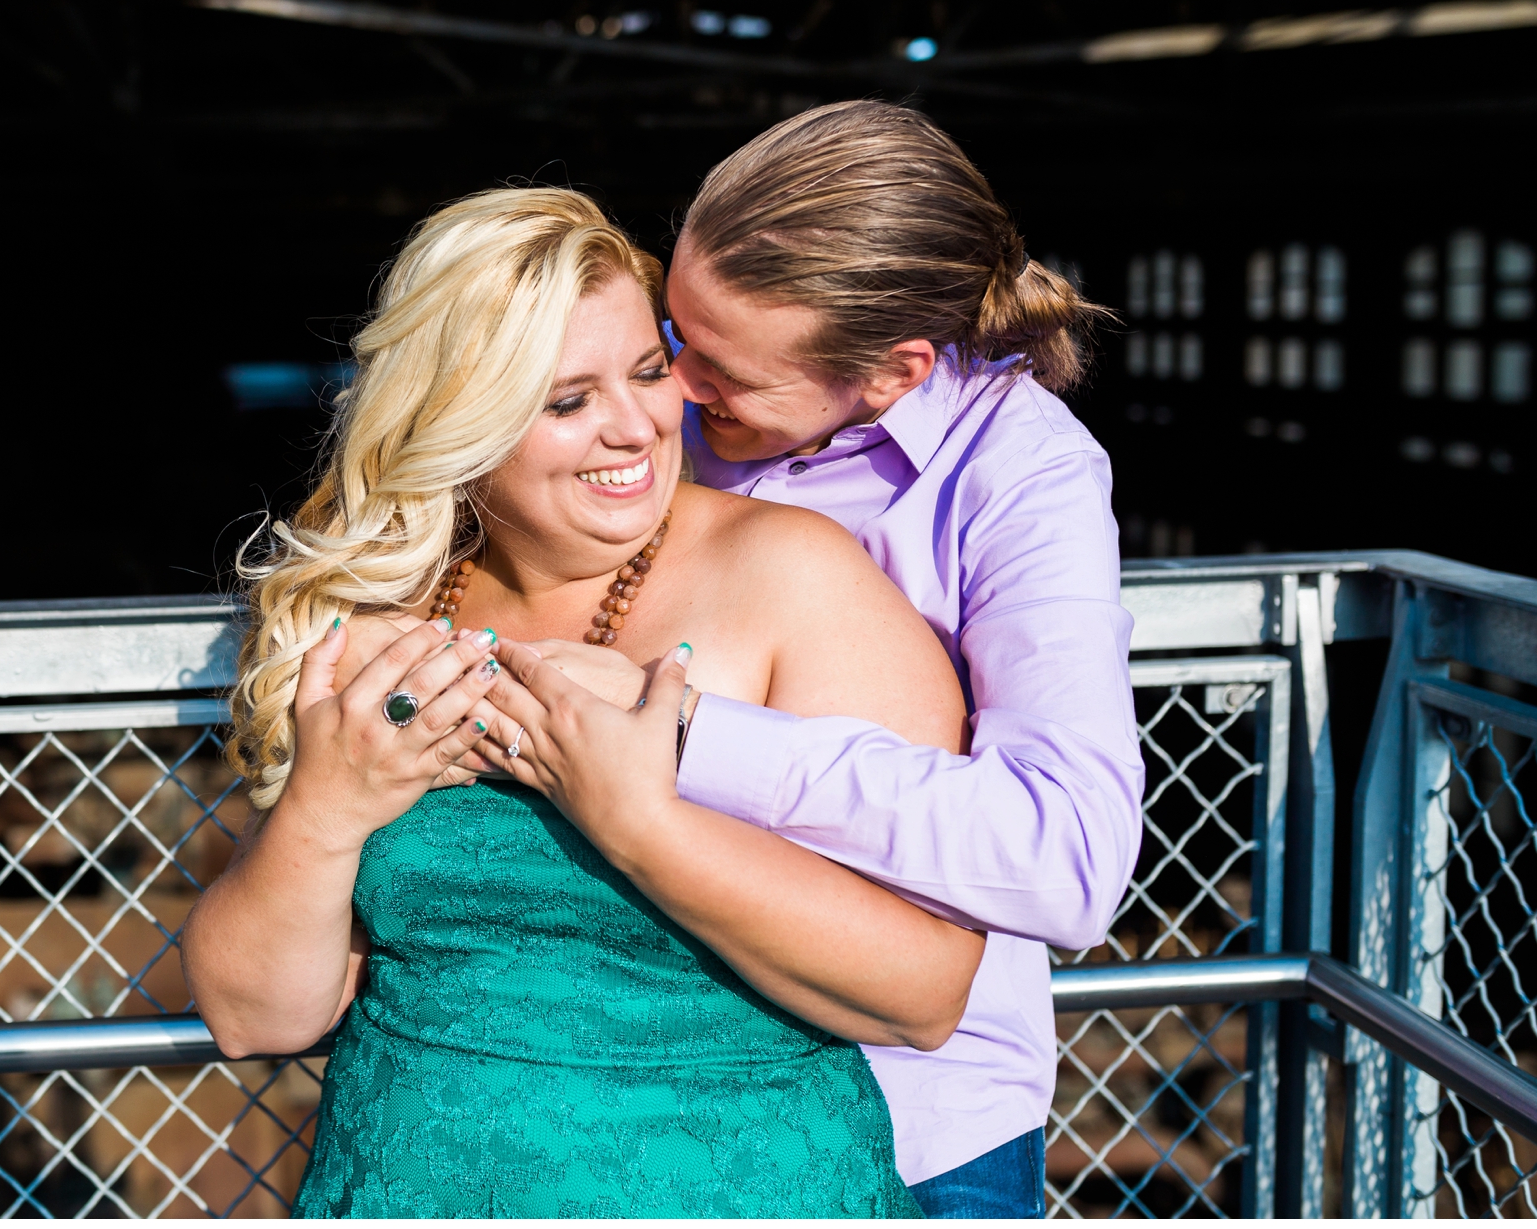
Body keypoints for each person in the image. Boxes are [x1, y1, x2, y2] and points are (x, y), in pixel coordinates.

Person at [179, 186, 984, 1218]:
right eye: (567, 401)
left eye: (647, 370)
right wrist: (325, 808)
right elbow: (255, 1016)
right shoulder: (378, 614)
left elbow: (923, 991)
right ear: (456, 423)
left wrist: (636, 822)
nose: (635, 426)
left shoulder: (794, 581)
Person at [478, 101, 1147, 1219]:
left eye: (718, 371)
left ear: (891, 371)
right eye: (669, 341)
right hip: (639, 1072)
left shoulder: (1023, 475)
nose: (673, 395)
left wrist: (685, 734)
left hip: (905, 1108)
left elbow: (1066, 856)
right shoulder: (672, 418)